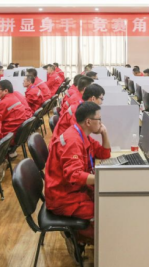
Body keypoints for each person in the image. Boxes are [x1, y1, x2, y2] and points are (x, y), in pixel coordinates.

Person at [45, 102, 111, 256]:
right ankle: (77, 237)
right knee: (104, 212)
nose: (101, 123)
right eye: (99, 119)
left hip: (75, 190)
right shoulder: (73, 140)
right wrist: (103, 178)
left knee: (107, 203)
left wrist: (104, 133)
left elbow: (104, 154)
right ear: (88, 122)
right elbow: (73, 175)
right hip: (63, 197)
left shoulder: (82, 135)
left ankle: (80, 237)